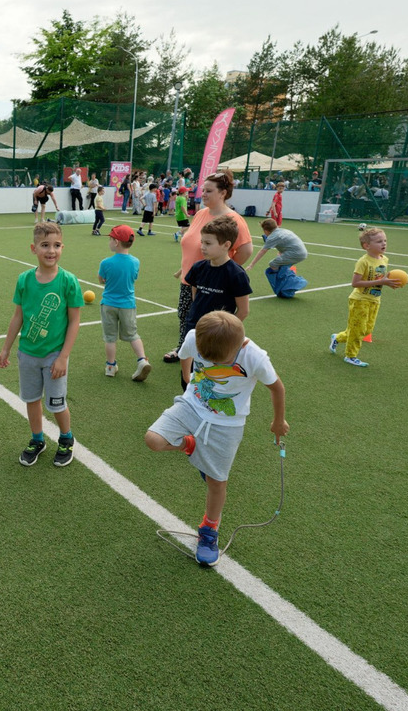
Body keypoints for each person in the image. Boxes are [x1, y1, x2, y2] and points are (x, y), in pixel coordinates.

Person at [145, 311, 288, 566]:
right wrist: (187, 376)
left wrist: (278, 421)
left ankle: (209, 531)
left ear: (239, 347)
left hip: (227, 425)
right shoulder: (194, 336)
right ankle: (189, 445)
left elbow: (277, 387)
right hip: (190, 406)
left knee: (216, 481)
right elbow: (185, 353)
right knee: (153, 439)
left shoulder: (254, 355)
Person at [0, 221, 83, 468]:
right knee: (32, 400)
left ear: (62, 247)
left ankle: (66, 438)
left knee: (57, 403)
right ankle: (38, 439)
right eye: (45, 245)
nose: (51, 251)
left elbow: (75, 321)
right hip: (28, 354)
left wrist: (63, 356)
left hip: (54, 355)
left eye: (56, 245)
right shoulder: (24, 280)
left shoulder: (68, 281)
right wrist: (6, 348)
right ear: (33, 248)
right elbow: (18, 316)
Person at [164, 172, 253, 364]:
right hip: (191, 278)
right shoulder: (201, 214)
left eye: (209, 191)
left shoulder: (233, 219)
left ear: (223, 193)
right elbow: (192, 245)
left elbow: (246, 250)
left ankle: (208, 354)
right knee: (187, 316)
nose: (203, 194)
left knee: (212, 322)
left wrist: (223, 272)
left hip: (214, 284)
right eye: (202, 190)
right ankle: (184, 349)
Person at [329, 227, 401, 368]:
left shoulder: (384, 259)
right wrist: (381, 282)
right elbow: (355, 283)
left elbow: (379, 278)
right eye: (379, 241)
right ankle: (350, 356)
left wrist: (388, 283)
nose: (384, 244)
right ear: (366, 246)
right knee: (358, 330)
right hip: (359, 300)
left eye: (385, 240)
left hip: (375, 300)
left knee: (366, 330)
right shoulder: (363, 262)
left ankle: (337, 337)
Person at [183, 216, 252, 337]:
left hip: (218, 333)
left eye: (208, 243)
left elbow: (243, 311)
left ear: (226, 245)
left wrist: (225, 329)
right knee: (189, 355)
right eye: (202, 242)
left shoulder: (237, 274)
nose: (202, 247)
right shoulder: (198, 267)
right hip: (194, 326)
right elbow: (195, 295)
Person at [99, 225, 151, 381]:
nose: (109, 242)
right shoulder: (135, 262)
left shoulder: (106, 263)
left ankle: (110, 366)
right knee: (133, 335)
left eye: (110, 239)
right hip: (128, 304)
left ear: (116, 242)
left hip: (108, 304)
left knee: (110, 337)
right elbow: (133, 278)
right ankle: (142, 360)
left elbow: (101, 280)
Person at [247, 218, 308, 298]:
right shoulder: (283, 230)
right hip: (301, 252)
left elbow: (263, 251)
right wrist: (282, 253)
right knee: (280, 265)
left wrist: (252, 264)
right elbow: (288, 243)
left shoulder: (272, 237)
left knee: (273, 264)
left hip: (296, 254)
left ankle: (292, 282)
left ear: (265, 230)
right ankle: (285, 285)